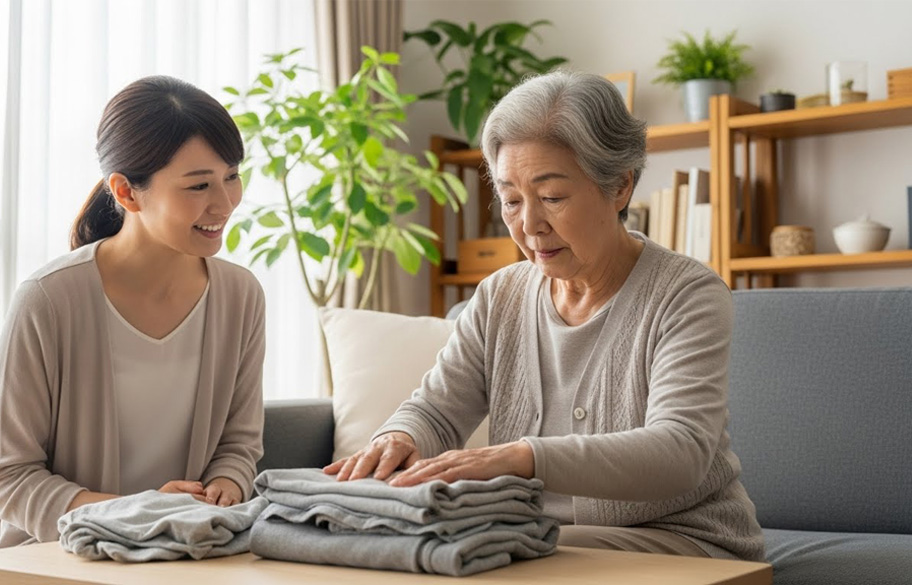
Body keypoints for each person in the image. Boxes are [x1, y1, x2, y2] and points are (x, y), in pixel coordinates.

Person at [325, 71, 764, 562]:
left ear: (619, 186)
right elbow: (436, 410)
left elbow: (680, 451)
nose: (529, 225)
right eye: (511, 200)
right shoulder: (499, 296)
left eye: (552, 197)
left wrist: (522, 458)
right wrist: (397, 438)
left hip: (681, 542)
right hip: (535, 538)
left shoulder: (686, 295)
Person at [0, 76, 265, 551]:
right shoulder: (49, 299)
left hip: (179, 552)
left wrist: (226, 485)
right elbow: (7, 477)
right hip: (48, 558)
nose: (225, 202)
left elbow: (239, 442)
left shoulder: (241, 295)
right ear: (127, 193)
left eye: (231, 176)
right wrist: (135, 512)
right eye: (198, 185)